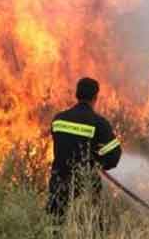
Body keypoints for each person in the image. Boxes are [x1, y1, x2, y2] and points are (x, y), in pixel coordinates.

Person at [46, 77, 122, 223]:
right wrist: (98, 162)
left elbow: (63, 144)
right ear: (95, 97)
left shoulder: (58, 119)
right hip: (85, 185)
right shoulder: (99, 123)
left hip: (58, 183)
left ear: (77, 94)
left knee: (55, 225)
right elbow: (114, 155)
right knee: (89, 226)